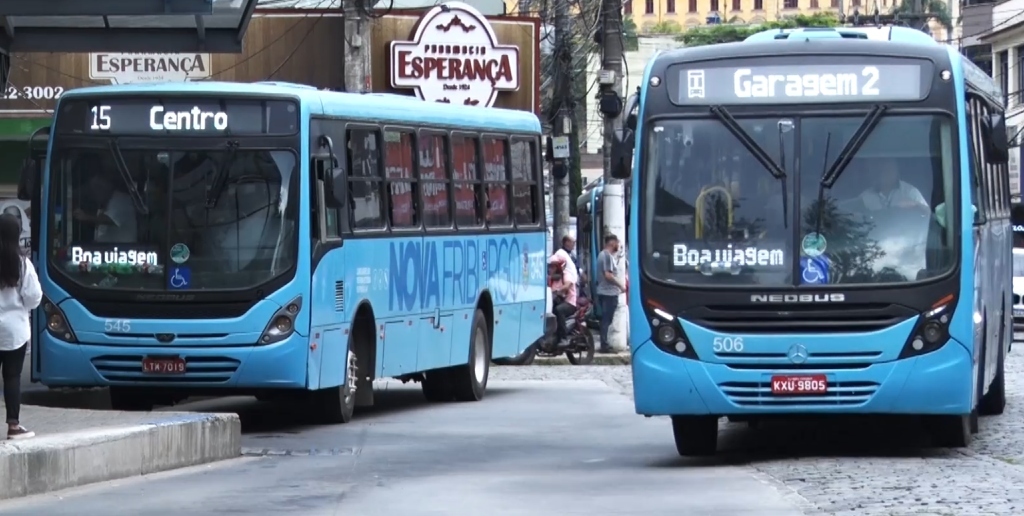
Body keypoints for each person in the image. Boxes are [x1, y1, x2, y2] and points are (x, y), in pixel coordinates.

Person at [0, 214, 42, 439]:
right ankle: (13, 427)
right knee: (12, 377)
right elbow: (34, 297)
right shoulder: (22, 263)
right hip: (14, 332)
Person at [73, 171, 138, 244]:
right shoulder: (103, 205)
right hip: (108, 250)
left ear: (107, 186)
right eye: (93, 190)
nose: (94, 193)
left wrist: (85, 217)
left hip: (126, 251)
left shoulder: (121, 200)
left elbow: (109, 219)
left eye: (97, 188)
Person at [858, 159, 929, 212]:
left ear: (897, 169)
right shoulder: (864, 198)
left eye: (888, 169)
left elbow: (928, 215)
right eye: (882, 170)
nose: (885, 173)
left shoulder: (910, 192)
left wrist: (916, 205)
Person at [596, 234, 626, 354]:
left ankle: (605, 343)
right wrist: (620, 286)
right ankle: (605, 345)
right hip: (608, 293)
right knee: (606, 320)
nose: (618, 246)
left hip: (605, 292)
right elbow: (608, 275)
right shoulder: (607, 256)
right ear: (612, 243)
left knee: (606, 320)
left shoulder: (602, 255)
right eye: (617, 243)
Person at [548, 251, 578, 349]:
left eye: (553, 267)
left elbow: (567, 285)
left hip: (569, 303)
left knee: (558, 310)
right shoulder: (552, 278)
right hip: (558, 301)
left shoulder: (566, 274)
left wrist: (558, 291)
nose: (550, 269)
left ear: (558, 267)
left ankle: (563, 338)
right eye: (550, 267)